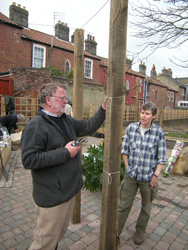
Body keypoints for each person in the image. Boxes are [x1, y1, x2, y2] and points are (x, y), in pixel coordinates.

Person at [21, 82, 106, 250]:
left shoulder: (65, 120)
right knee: (44, 242)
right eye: (62, 98)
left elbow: (88, 126)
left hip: (67, 192)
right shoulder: (35, 126)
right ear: (49, 100)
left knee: (56, 238)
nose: (66, 101)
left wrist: (103, 109)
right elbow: (29, 160)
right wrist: (65, 153)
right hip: (52, 197)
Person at [118, 101, 167, 245]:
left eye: (147, 114)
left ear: (153, 116)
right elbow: (125, 151)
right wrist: (128, 168)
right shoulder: (131, 129)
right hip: (131, 175)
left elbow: (162, 158)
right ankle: (116, 231)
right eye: (142, 112)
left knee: (146, 207)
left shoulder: (158, 132)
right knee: (124, 205)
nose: (143, 116)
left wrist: (156, 175)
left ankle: (140, 230)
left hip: (148, 178)